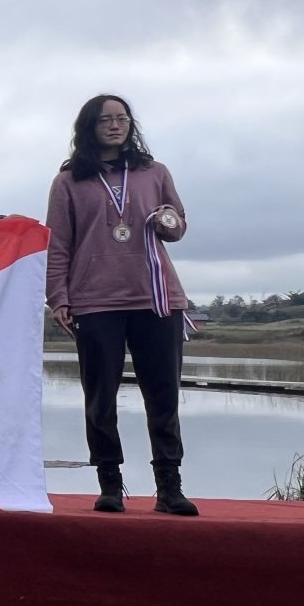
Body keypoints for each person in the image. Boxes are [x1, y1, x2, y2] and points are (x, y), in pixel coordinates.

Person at [45, 94, 197, 516]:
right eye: (105, 120)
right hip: (94, 301)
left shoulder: (154, 172)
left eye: (122, 119)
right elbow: (57, 244)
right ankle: (110, 483)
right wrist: (58, 297)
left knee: (163, 396)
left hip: (156, 298)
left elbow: (178, 226)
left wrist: (168, 220)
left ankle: (169, 487)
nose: (115, 125)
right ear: (89, 128)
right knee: (100, 398)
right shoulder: (68, 181)